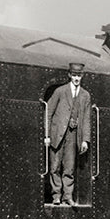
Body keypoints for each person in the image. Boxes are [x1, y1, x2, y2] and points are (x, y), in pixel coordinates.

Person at [44, 62, 92, 206]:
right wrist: (47, 135)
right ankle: (56, 196)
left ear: (82, 76)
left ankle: (68, 196)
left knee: (69, 167)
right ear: (69, 75)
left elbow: (86, 119)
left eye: (79, 75)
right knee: (55, 166)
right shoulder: (60, 91)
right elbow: (48, 112)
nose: (77, 78)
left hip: (73, 135)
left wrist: (85, 140)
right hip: (57, 134)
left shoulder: (85, 95)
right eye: (74, 75)